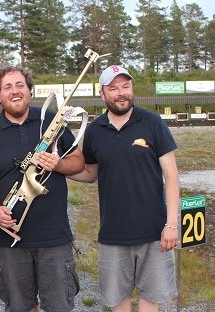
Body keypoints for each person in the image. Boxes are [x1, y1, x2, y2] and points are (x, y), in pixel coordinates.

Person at [0, 66, 85, 312]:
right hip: (9, 236)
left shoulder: (51, 121)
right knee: (19, 306)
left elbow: (78, 161)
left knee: (59, 306)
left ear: (29, 90)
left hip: (53, 235)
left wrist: (58, 164)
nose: (15, 91)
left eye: (20, 85)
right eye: (8, 87)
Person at [72, 65, 180, 311]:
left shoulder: (152, 122)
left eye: (125, 86)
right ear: (102, 94)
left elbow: (171, 176)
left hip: (154, 233)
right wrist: (57, 167)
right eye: (113, 88)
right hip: (112, 234)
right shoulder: (94, 130)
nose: (121, 93)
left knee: (149, 300)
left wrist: (171, 224)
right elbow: (91, 173)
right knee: (117, 302)